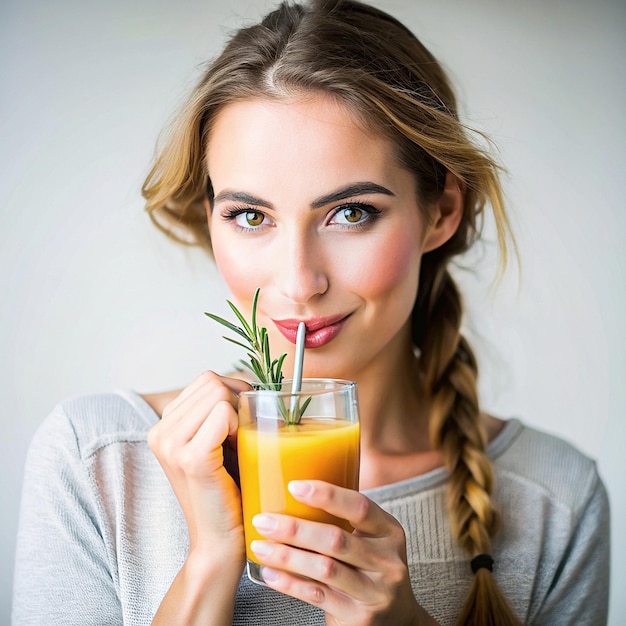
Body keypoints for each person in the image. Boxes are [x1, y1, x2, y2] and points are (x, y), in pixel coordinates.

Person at [13, 1, 610, 624]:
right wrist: (211, 562)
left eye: (351, 213)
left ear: (441, 211)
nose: (299, 283)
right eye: (251, 216)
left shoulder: (555, 499)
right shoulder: (97, 462)